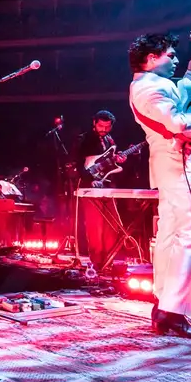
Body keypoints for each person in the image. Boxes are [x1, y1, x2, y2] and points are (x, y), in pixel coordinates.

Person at [128, 33, 191, 339]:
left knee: (170, 237)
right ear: (152, 59)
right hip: (181, 167)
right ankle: (176, 312)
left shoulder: (149, 85)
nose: (176, 60)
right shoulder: (148, 88)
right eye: (171, 55)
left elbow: (179, 99)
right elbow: (178, 122)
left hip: (172, 168)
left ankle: (168, 306)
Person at [75, 110, 125, 267]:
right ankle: (97, 262)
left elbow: (110, 165)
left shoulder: (110, 141)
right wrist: (89, 180)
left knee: (113, 224)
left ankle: (109, 260)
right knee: (95, 225)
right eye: (101, 126)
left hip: (107, 185)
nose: (104, 129)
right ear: (94, 123)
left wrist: (120, 160)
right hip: (90, 187)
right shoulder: (84, 139)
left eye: (107, 126)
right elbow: (77, 163)